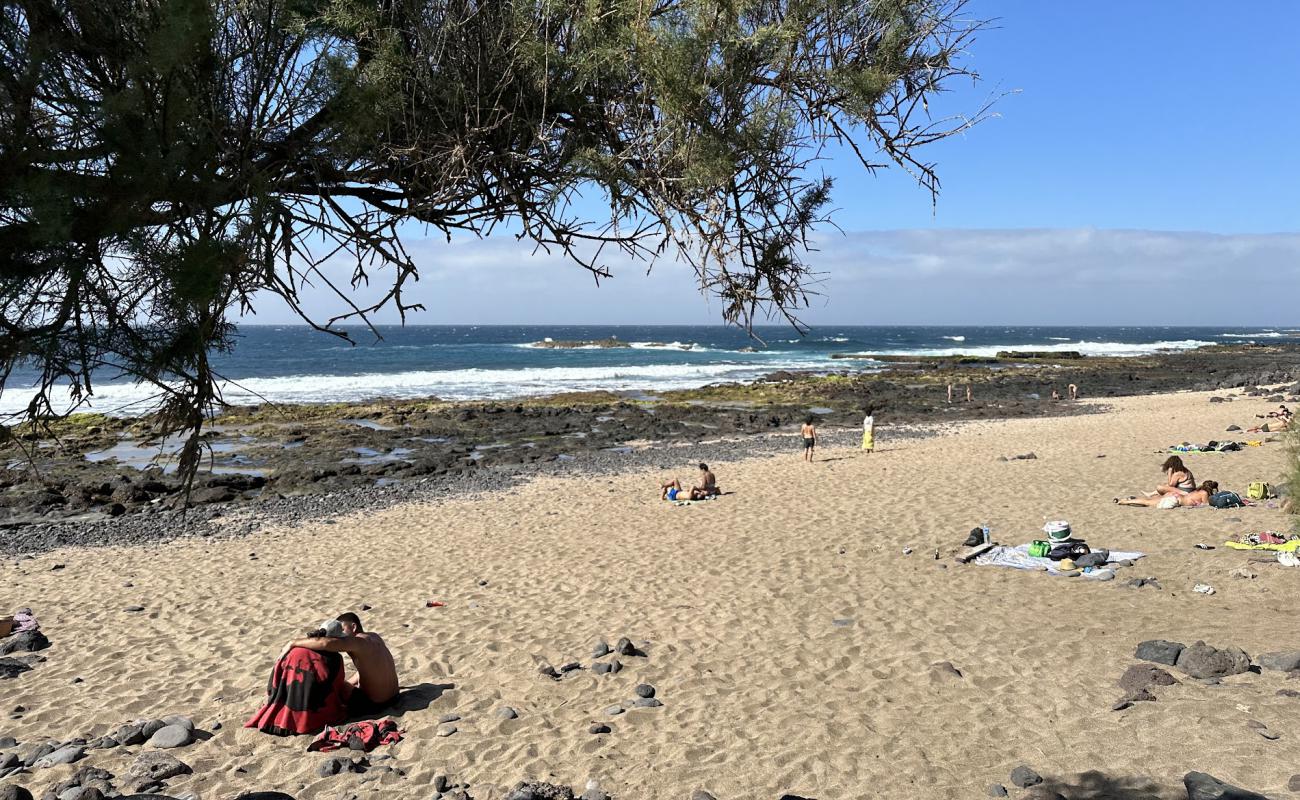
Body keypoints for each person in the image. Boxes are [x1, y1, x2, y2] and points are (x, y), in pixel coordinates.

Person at [246, 619, 350, 735]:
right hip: (306, 720)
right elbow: (335, 688)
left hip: (274, 719)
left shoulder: (292, 650)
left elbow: (273, 682)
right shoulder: (335, 659)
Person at [288, 613, 399, 715]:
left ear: (354, 627)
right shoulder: (374, 637)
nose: (339, 635)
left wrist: (292, 642)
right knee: (344, 684)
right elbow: (369, 669)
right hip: (395, 697)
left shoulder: (358, 641)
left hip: (376, 705)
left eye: (342, 629)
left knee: (336, 687)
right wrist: (347, 683)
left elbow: (325, 643)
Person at [1118, 480, 1218, 508]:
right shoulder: (1204, 494)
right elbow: (1206, 505)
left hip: (1174, 495)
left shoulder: (1198, 490)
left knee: (1150, 500)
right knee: (1147, 503)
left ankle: (1129, 500)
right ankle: (1125, 502)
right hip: (1176, 500)